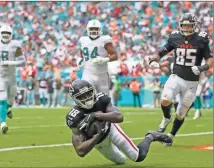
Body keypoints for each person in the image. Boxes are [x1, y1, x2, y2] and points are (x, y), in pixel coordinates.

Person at [66, 79, 172, 164]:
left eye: (88, 93)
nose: (87, 98)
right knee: (121, 160)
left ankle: (151, 136)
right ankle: (117, 147)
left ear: (93, 91)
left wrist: (96, 115)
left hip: (110, 129)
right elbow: (80, 151)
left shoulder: (102, 99)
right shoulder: (74, 117)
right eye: (82, 96)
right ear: (75, 99)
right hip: (98, 141)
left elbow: (119, 117)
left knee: (137, 157)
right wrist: (97, 136)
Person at [149, 13, 213, 146]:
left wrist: (202, 68)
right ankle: (166, 118)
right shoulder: (175, 37)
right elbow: (161, 51)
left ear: (194, 25)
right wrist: (154, 60)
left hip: (192, 82)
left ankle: (171, 135)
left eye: (189, 25)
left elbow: (210, 60)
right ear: (181, 25)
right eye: (184, 25)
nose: (187, 27)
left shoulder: (201, 39)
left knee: (181, 113)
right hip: (176, 76)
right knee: (165, 99)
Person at [0, 24, 26, 133]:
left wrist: (10, 63)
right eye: (4, 33)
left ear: (11, 34)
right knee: (3, 98)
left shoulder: (15, 45)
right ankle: (3, 123)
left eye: (8, 33)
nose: (5, 35)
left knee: (11, 98)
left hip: (11, 75)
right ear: (0, 33)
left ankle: (8, 108)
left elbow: (23, 62)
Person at [77, 19, 118, 95]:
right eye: (91, 29)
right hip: (88, 73)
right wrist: (80, 61)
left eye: (96, 29)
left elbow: (115, 56)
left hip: (102, 74)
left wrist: (104, 59)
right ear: (88, 29)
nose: (93, 31)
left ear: (100, 29)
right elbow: (82, 55)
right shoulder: (83, 40)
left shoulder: (105, 40)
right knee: (88, 96)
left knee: (104, 100)